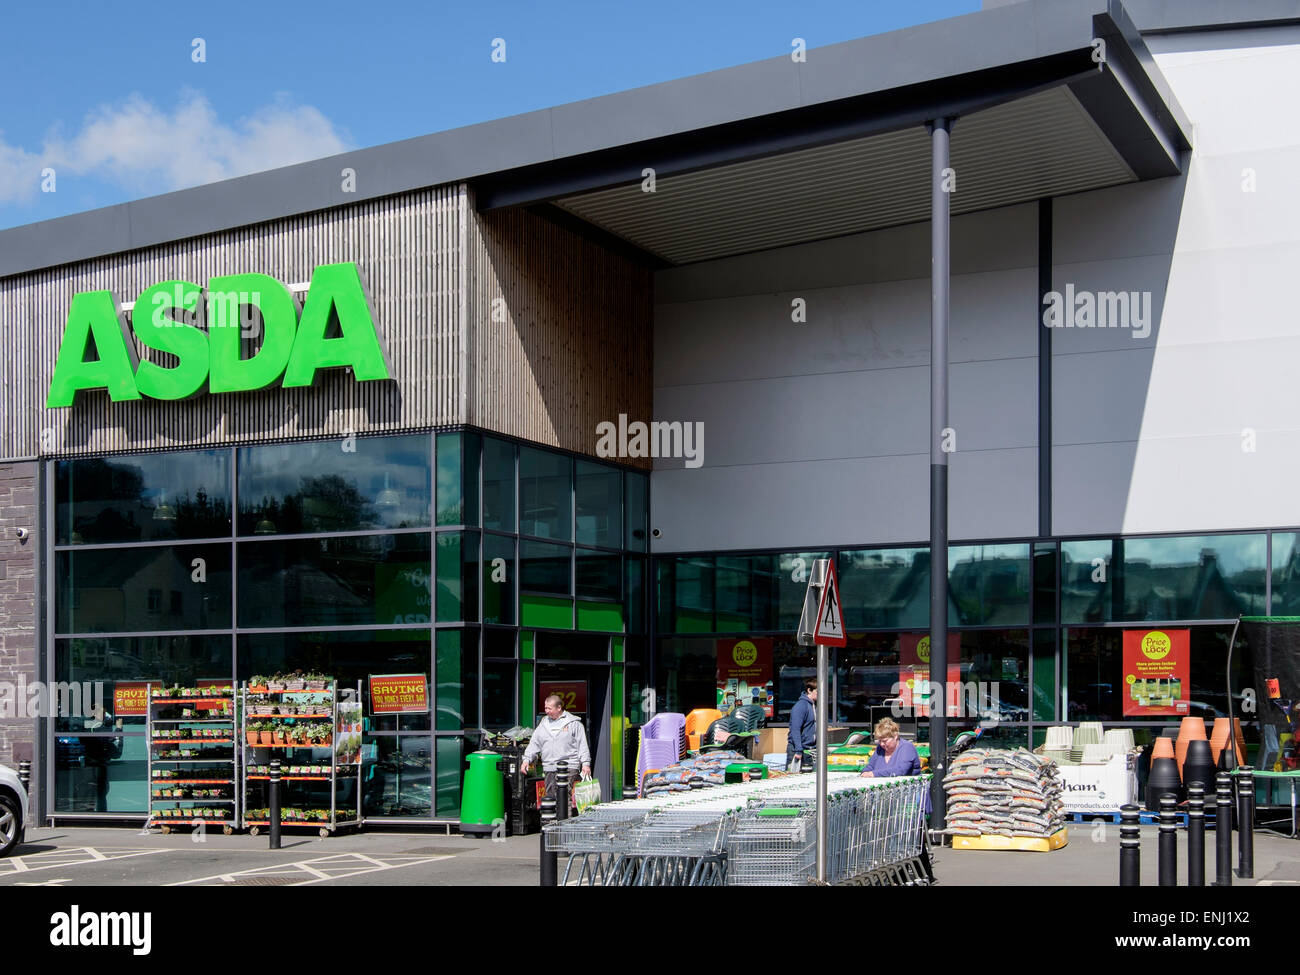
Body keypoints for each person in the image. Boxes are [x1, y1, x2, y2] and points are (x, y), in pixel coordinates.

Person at [521, 694, 591, 799]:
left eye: (549, 708)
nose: (547, 711)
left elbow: (582, 745)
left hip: (569, 765)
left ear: (559, 708)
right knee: (550, 796)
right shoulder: (543, 724)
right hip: (549, 766)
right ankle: (554, 816)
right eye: (545, 708)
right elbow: (534, 743)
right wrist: (526, 760)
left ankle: (565, 816)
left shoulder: (574, 724)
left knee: (564, 796)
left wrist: (585, 764)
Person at [858, 716, 923, 778]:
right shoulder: (880, 748)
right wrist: (865, 772)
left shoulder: (907, 747)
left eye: (884, 741)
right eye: (879, 741)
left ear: (895, 736)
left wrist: (874, 774)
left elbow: (901, 770)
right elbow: (870, 766)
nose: (881, 744)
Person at [787, 679, 818, 770]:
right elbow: (795, 729)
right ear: (809, 690)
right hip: (798, 750)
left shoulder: (814, 706)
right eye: (817, 691)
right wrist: (798, 750)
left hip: (810, 750)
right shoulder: (801, 706)